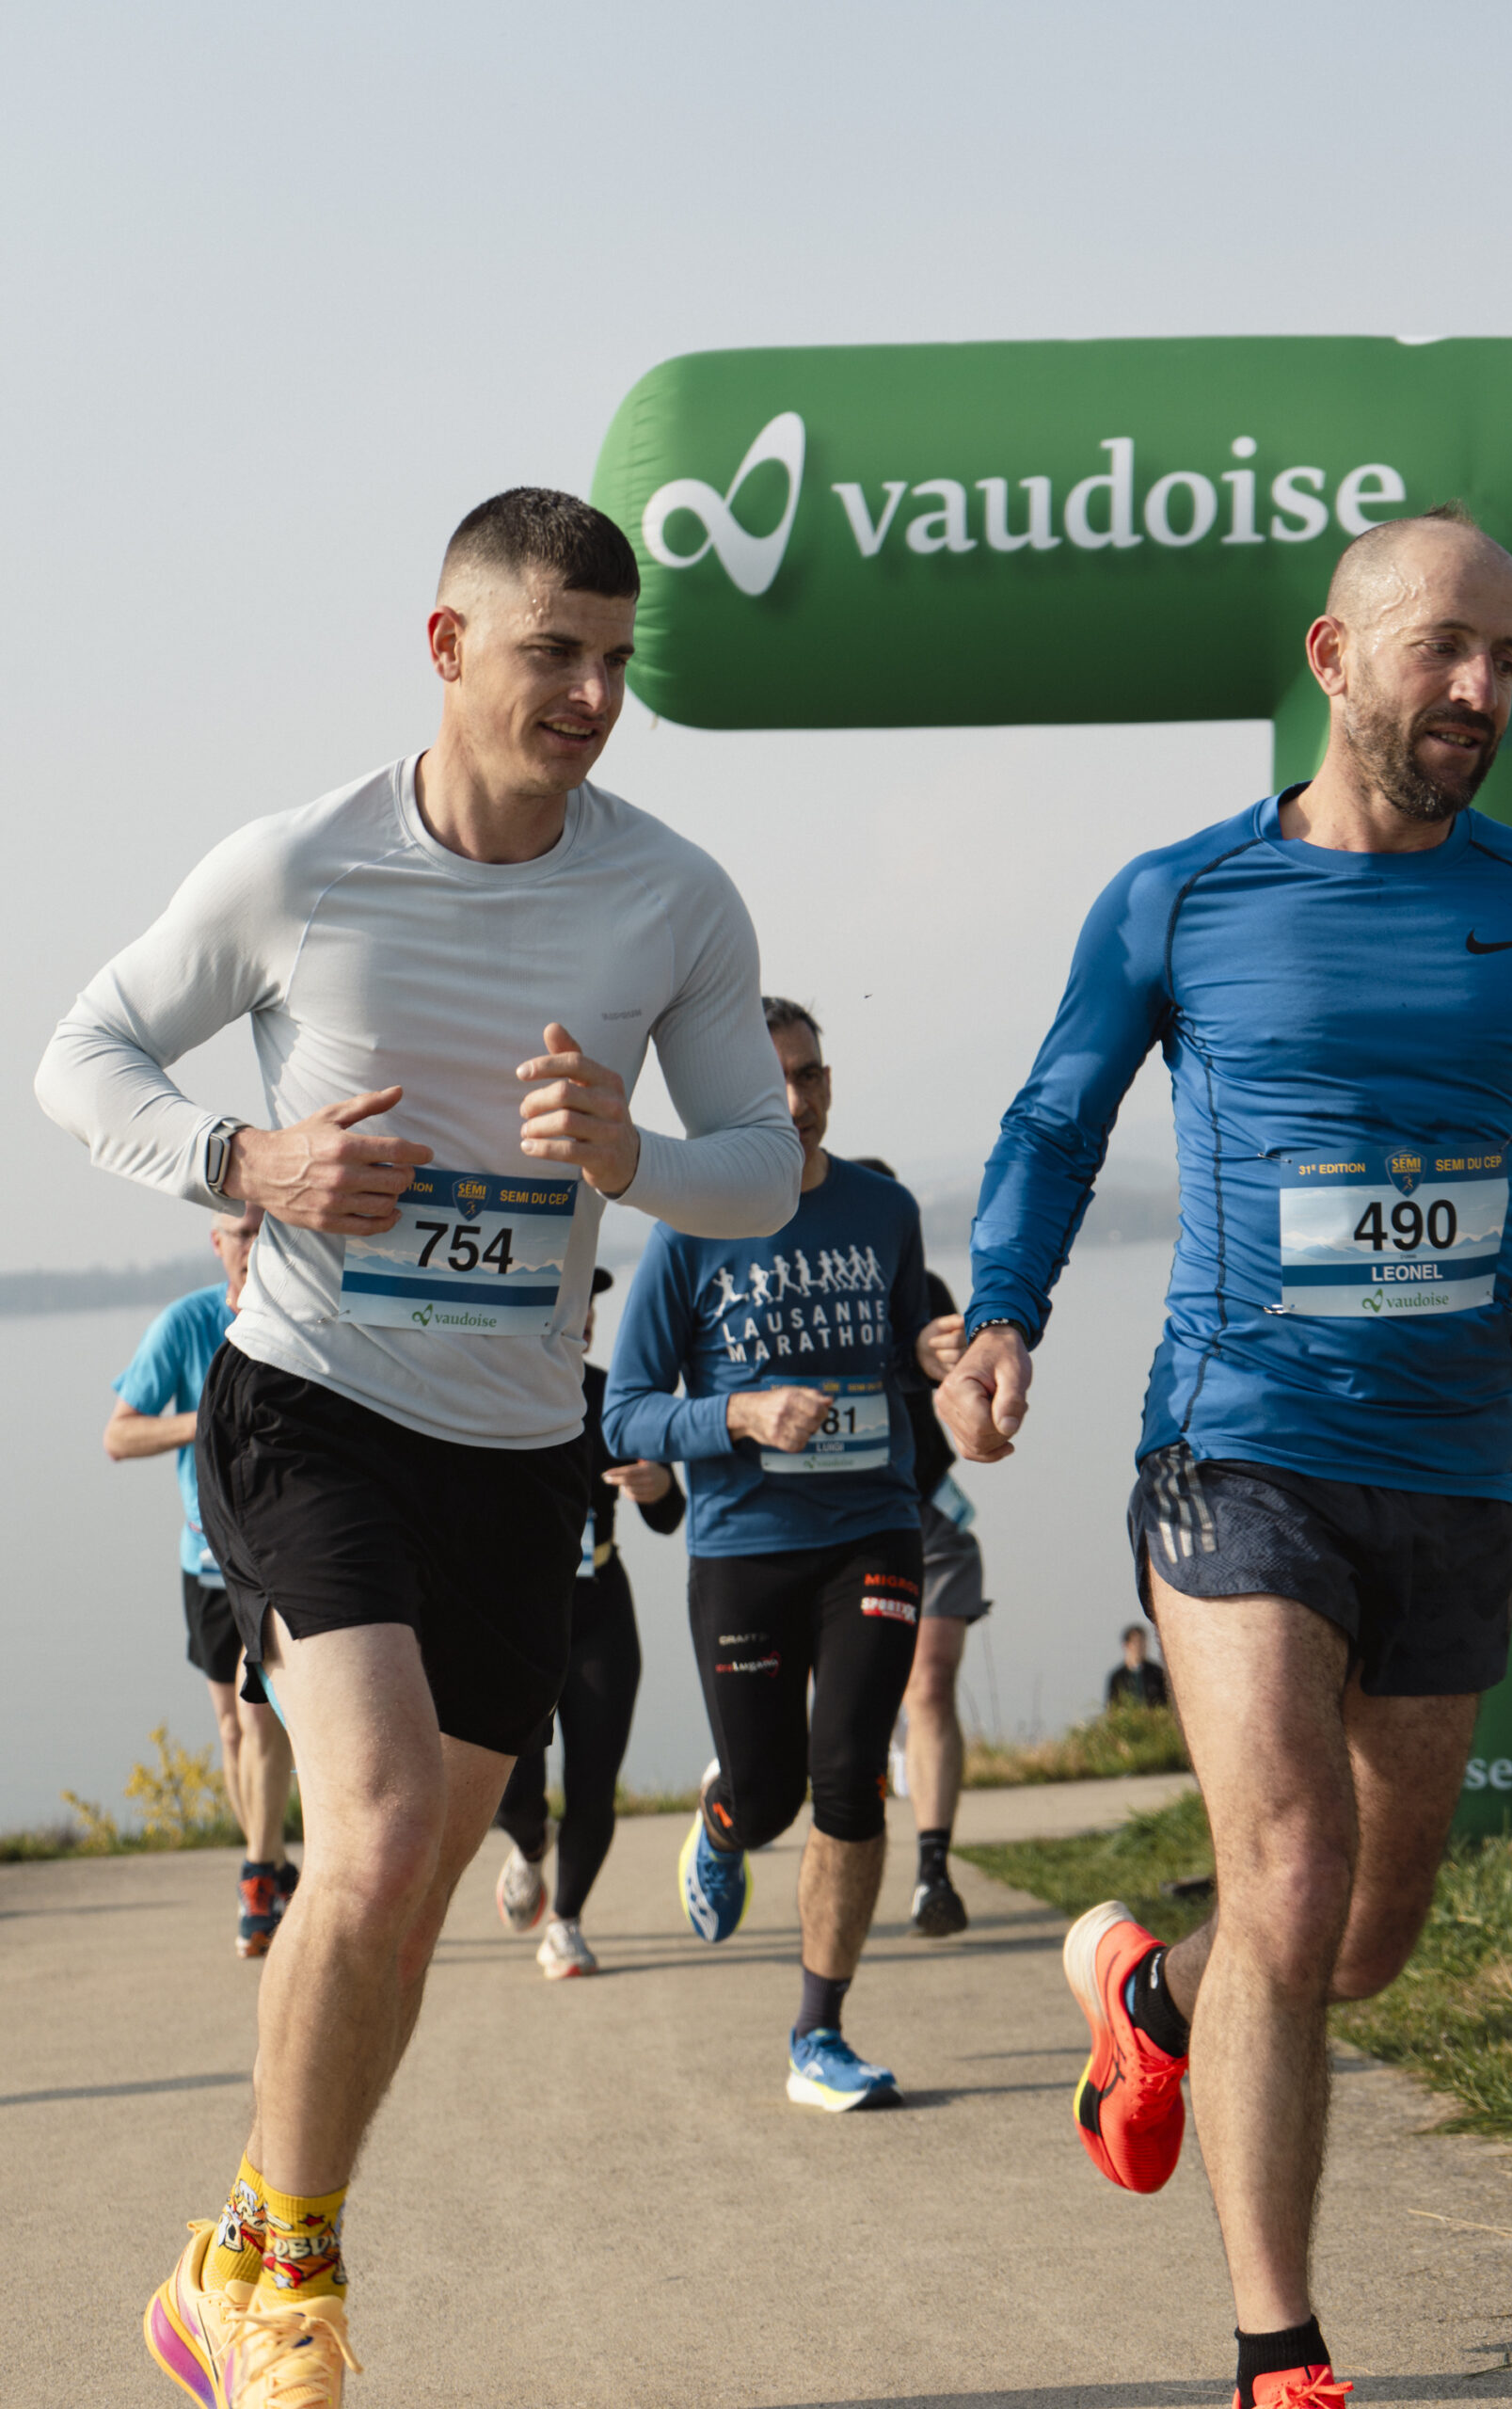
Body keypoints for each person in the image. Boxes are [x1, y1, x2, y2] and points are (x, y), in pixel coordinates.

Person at [37, 487, 799, 2406]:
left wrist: (631, 1155)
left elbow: (760, 1171)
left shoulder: (673, 896)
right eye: (554, 654)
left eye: (617, 661)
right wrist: (254, 1159)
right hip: (312, 1408)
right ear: (447, 646)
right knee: (369, 1834)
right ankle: (290, 2281)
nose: (593, 697)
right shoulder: (301, 863)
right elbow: (82, 1056)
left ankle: (234, 2246)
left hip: (520, 1451)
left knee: (400, 1909)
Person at [936, 505, 1512, 2409]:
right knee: (1294, 1867)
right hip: (1236, 1450)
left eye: (1505, 659)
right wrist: (999, 1315)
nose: (1477, 687)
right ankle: (1275, 2349)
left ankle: (1148, 1992)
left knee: (1361, 1940)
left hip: (1451, 1467)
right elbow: (1055, 1123)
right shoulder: (1178, 896)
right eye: (1443, 647)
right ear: (1332, 656)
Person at [604, 999, 953, 2110]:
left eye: (809, 1076)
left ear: (828, 1081)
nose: (796, 1101)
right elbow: (625, 1413)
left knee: (851, 1776)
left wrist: (930, 1353)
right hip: (745, 1544)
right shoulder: (688, 1227)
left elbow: (901, 1355)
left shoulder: (885, 1211)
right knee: (770, 1798)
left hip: (873, 1529)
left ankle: (819, 2033)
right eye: (773, 1083)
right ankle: (726, 1816)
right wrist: (740, 1416)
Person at [104, 1204, 298, 1957]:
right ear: (217, 1243)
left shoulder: (303, 1319)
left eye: (266, 1229)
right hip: (206, 1564)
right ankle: (271, 1863)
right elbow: (119, 1435)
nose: (254, 1244)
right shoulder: (184, 1325)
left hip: (281, 1563)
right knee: (231, 1729)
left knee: (261, 1723)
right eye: (241, 1232)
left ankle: (257, 1879)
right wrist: (205, 1420)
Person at [492, 1265, 685, 1975]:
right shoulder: (488, 1392)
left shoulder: (613, 1398)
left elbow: (669, 1516)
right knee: (510, 1787)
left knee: (594, 1781)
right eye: (570, 1301)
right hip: (510, 1616)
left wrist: (660, 1485)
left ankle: (566, 1921)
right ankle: (528, 1844)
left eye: (591, 1303)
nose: (587, 1314)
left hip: (599, 1604)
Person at [856, 1157, 983, 1938]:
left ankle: (932, 1871)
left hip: (927, 1518)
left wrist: (970, 1379)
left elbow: (962, 1397)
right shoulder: (805, 1294)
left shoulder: (926, 1292)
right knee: (847, 1710)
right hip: (836, 1523)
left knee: (928, 1686)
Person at [1106, 1622, 1168, 1711]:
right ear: (1126, 1645)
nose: (1140, 1647)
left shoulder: (1157, 1673)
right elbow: (1112, 1707)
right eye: (1136, 1643)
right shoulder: (1117, 1678)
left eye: (1142, 1642)